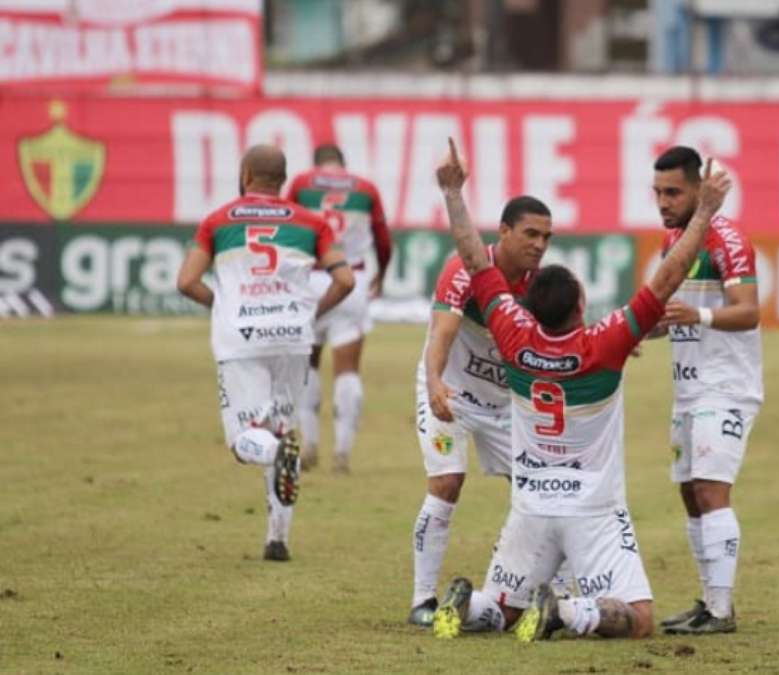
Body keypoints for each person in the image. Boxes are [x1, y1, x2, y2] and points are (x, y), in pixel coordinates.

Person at [428, 138, 732, 641]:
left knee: (504, 609)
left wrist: (453, 194)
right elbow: (667, 279)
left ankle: (471, 605)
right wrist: (705, 212)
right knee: (639, 618)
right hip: (592, 510)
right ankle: (565, 614)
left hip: (530, 506)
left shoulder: (512, 334)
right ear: (578, 307)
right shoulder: (604, 344)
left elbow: (476, 261)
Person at [176, 145, 355, 562]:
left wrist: (221, 306)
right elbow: (345, 280)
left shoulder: (218, 221)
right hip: (293, 336)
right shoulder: (311, 222)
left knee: (245, 441)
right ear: (284, 180)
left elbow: (186, 281)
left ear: (245, 174)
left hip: (241, 337)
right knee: (281, 427)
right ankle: (277, 540)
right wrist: (311, 313)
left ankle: (276, 453)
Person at [407, 193, 554, 626]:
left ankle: (548, 591)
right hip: (450, 393)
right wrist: (435, 382)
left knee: (542, 490)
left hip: (505, 405)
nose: (539, 245)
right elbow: (442, 333)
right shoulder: (464, 270)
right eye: (530, 234)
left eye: (546, 237)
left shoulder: (542, 287)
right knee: (447, 482)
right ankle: (422, 600)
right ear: (504, 231)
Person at [650, 146, 763, 634]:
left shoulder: (727, 239)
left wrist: (697, 315)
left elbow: (748, 311)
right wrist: (637, 335)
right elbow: (670, 313)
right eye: (658, 192)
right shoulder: (673, 241)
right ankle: (709, 600)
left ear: (699, 190)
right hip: (689, 387)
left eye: (673, 192)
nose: (663, 202)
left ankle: (721, 610)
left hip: (726, 385)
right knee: (689, 493)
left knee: (711, 490)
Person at [285, 144, 393, 473]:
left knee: (308, 363)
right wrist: (381, 274)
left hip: (310, 278)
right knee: (348, 370)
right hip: (350, 279)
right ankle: (342, 451)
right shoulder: (365, 188)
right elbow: (383, 239)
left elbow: (285, 227)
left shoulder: (302, 183)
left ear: (316, 164)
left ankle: (310, 442)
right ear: (343, 164)